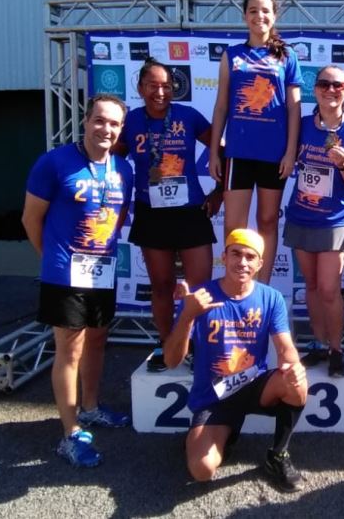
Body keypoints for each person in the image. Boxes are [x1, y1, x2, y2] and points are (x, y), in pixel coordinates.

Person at [21, 94, 135, 467]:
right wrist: (53, 260)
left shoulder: (123, 169)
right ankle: (70, 434)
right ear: (85, 121)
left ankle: (90, 407)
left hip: (101, 269)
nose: (106, 129)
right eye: (99, 120)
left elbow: (118, 218)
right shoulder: (54, 163)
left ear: (121, 129)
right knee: (69, 350)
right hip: (64, 273)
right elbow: (30, 219)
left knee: (97, 341)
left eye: (114, 123)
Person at [164, 229, 308, 490]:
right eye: (236, 254)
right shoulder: (200, 296)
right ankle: (223, 432)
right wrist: (187, 316)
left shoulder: (270, 297)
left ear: (260, 264)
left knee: (296, 382)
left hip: (254, 386)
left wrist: (293, 365)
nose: (242, 262)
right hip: (213, 395)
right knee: (202, 470)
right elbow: (172, 361)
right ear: (224, 257)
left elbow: (285, 346)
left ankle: (278, 455)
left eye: (250, 257)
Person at [114, 58, 220, 371]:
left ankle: (199, 346)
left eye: (166, 86)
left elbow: (222, 150)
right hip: (152, 213)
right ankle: (166, 345)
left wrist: (219, 192)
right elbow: (114, 162)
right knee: (161, 285)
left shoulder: (188, 116)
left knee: (200, 287)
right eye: (153, 85)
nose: (160, 92)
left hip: (190, 212)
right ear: (140, 88)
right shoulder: (131, 121)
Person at [209, 0, 302, 284]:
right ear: (244, 16)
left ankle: (261, 288)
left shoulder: (287, 55)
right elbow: (221, 106)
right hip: (238, 153)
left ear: (274, 16)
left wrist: (290, 152)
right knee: (234, 227)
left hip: (274, 154)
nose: (259, 16)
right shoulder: (232, 55)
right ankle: (234, 287)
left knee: (267, 221)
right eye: (252, 10)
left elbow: (294, 108)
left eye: (265, 11)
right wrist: (213, 153)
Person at [283, 65, 344, 378]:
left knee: (329, 289)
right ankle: (319, 343)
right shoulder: (302, 125)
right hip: (301, 215)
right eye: (324, 84)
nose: (330, 90)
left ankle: (336, 349)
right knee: (310, 286)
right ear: (315, 89)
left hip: (336, 220)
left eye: (338, 85)